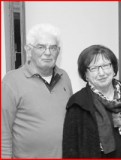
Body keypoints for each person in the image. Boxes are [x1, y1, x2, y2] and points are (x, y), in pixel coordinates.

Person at [1, 23, 73, 158]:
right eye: (41, 47)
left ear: (58, 51)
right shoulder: (11, 81)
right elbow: (3, 132)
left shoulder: (64, 77)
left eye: (53, 47)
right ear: (28, 50)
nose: (47, 52)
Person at [62, 44, 121, 158]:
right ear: (85, 74)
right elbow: (70, 148)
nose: (101, 73)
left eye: (106, 65)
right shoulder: (78, 103)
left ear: (113, 69)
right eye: (94, 68)